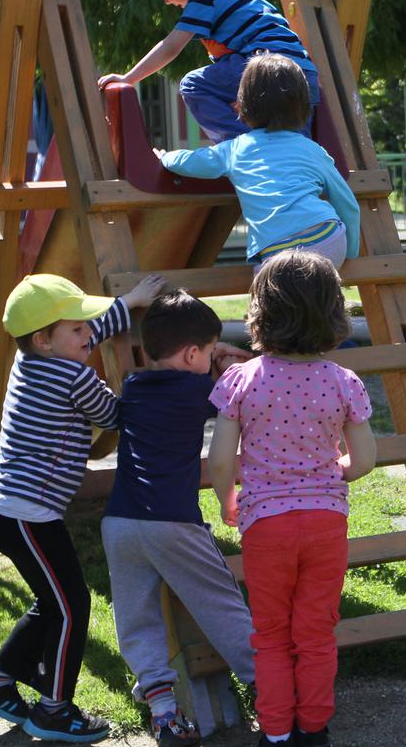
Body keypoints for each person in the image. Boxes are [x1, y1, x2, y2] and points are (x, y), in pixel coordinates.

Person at [0, 272, 166, 744]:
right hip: (29, 515)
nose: (88, 336)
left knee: (52, 603)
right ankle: (54, 710)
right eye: (76, 330)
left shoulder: (29, 358)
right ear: (44, 339)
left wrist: (126, 302)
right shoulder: (73, 376)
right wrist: (156, 388)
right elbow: (115, 415)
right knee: (72, 607)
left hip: (7, 509)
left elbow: (85, 331)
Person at [208, 252, 377, 747]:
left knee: (272, 634)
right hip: (326, 521)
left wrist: (227, 498)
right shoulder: (344, 381)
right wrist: (334, 475)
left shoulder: (240, 379)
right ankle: (314, 728)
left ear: (261, 312)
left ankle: (277, 731)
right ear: (334, 314)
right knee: (316, 631)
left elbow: (220, 459)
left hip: (266, 524)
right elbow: (364, 459)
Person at [102, 291, 257, 747]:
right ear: (194, 353)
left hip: (120, 524)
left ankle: (165, 713)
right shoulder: (203, 390)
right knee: (219, 602)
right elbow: (240, 392)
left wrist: (210, 360)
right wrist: (232, 361)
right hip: (174, 522)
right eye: (208, 351)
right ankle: (269, 686)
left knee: (137, 618)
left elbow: (186, 386)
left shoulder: (132, 386)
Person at [97, 0, 319, 144]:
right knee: (295, 141)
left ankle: (242, 148)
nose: (166, 1)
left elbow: (171, 47)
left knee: (194, 85)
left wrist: (129, 78)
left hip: (264, 69)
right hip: (303, 76)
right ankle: (303, 165)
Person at [158, 53, 359, 269]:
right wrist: (351, 250)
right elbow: (347, 203)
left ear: (242, 106)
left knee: (270, 298)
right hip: (327, 237)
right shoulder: (313, 150)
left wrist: (165, 157)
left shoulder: (236, 149)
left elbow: (193, 162)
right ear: (304, 106)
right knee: (317, 296)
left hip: (277, 249)